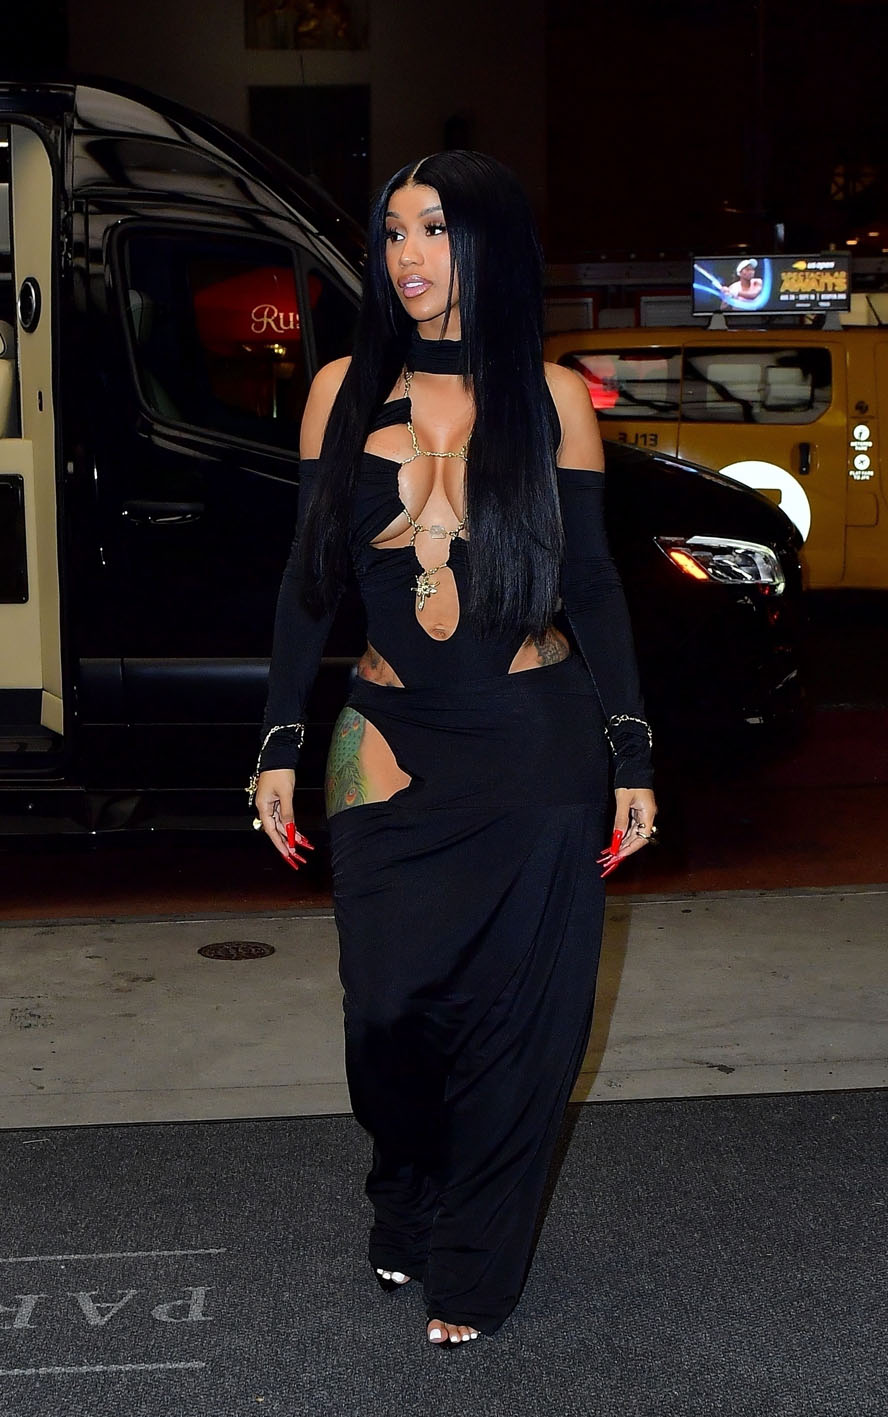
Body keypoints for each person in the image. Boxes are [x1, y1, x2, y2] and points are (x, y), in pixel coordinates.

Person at [250, 150, 656, 1347]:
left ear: (484, 244)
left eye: (430, 229)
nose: (406, 256)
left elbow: (591, 584)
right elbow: (306, 584)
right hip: (385, 738)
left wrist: (631, 751)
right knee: (386, 1015)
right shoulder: (340, 391)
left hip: (532, 742)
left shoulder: (552, 399)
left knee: (517, 1024)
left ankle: (473, 1265)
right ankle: (406, 1187)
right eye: (392, 233)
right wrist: (278, 738)